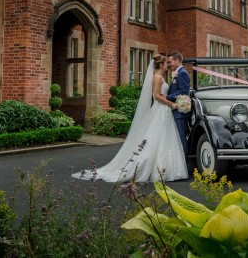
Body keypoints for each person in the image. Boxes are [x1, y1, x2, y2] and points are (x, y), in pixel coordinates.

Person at [72, 55, 188, 183]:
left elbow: (162, 94)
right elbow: (156, 96)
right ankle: (156, 169)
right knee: (156, 138)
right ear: (161, 65)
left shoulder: (161, 77)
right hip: (161, 110)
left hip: (164, 111)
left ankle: (167, 168)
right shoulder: (158, 77)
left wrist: (168, 100)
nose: (168, 64)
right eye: (167, 62)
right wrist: (171, 103)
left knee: (164, 139)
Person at [166, 50, 190, 155]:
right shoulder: (179, 73)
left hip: (180, 111)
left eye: (170, 62)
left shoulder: (182, 73)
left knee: (181, 138)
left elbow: (183, 92)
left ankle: (184, 163)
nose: (169, 64)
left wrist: (167, 97)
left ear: (176, 61)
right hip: (176, 110)